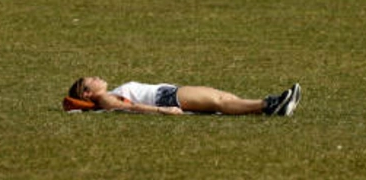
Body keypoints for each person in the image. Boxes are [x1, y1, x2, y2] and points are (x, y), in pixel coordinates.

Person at [65, 77, 301, 116]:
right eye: (91, 80)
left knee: (223, 97)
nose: (97, 77)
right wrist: (163, 110)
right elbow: (132, 107)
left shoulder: (107, 96)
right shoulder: (104, 99)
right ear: (87, 93)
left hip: (168, 94)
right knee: (219, 101)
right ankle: (270, 104)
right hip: (166, 98)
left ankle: (274, 106)